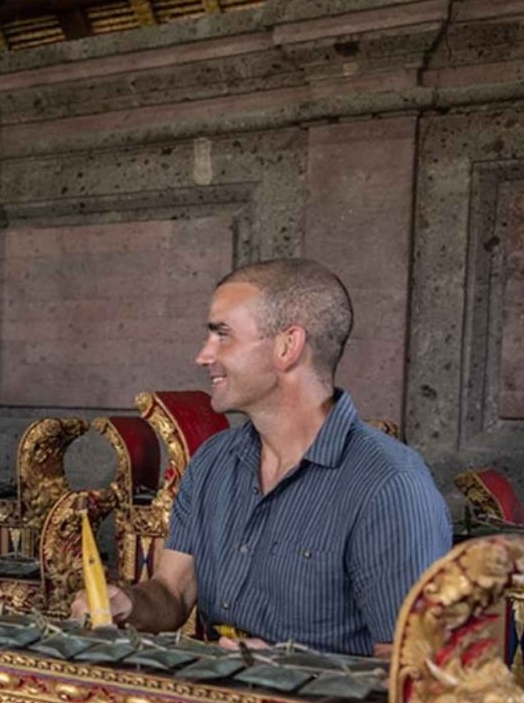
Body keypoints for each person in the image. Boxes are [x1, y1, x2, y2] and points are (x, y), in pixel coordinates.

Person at [74, 258, 450, 657]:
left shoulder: (390, 483)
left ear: (287, 346)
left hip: (313, 701)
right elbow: (172, 592)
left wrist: (291, 669)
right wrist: (130, 605)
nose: (204, 355)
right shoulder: (214, 460)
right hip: (219, 692)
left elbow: (414, 668)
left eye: (223, 336)